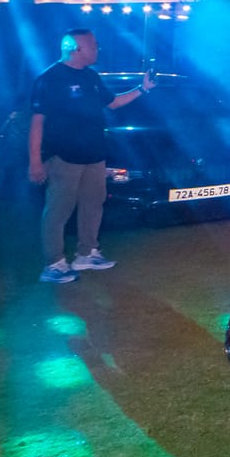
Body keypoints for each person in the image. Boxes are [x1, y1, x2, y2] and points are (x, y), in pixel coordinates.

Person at [28, 29, 152, 284]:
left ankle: (86, 254)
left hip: (94, 155)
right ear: (76, 48)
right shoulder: (49, 79)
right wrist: (35, 161)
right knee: (58, 211)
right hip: (64, 157)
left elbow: (113, 103)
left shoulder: (91, 76)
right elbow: (37, 123)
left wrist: (143, 88)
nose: (97, 49)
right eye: (93, 45)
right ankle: (53, 264)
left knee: (93, 205)